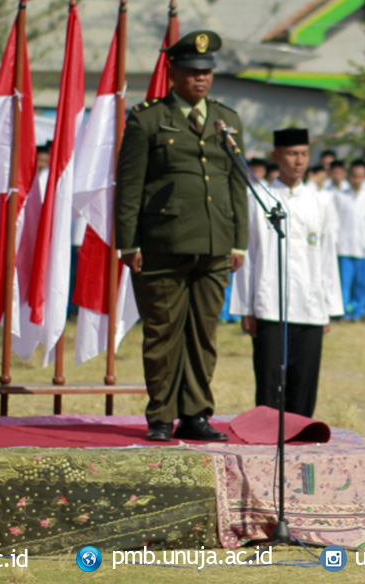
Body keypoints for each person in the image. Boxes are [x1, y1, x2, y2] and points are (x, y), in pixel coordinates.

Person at [116, 29, 246, 443]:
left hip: (214, 244)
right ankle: (161, 415)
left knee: (203, 335)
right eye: (192, 72)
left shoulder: (228, 120)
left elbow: (236, 185)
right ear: (172, 72)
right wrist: (128, 242)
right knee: (163, 334)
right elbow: (130, 184)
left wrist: (239, 241)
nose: (200, 79)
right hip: (162, 244)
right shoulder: (148, 118)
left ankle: (195, 414)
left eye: (206, 72)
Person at [230, 128, 342, 418]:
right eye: (292, 154)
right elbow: (248, 255)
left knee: (304, 384)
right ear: (276, 156)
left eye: (304, 154)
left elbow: (328, 256)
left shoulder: (321, 200)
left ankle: (301, 440)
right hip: (269, 305)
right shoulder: (258, 197)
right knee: (268, 382)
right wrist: (245, 307)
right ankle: (267, 441)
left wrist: (328, 308)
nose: (299, 161)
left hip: (310, 304)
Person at [334, 160, 365, 321]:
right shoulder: (340, 197)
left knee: (361, 283)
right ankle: (343, 311)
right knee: (344, 283)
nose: (357, 180)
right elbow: (335, 221)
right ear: (348, 177)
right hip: (344, 247)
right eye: (354, 177)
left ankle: (358, 311)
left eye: (360, 177)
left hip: (362, 248)